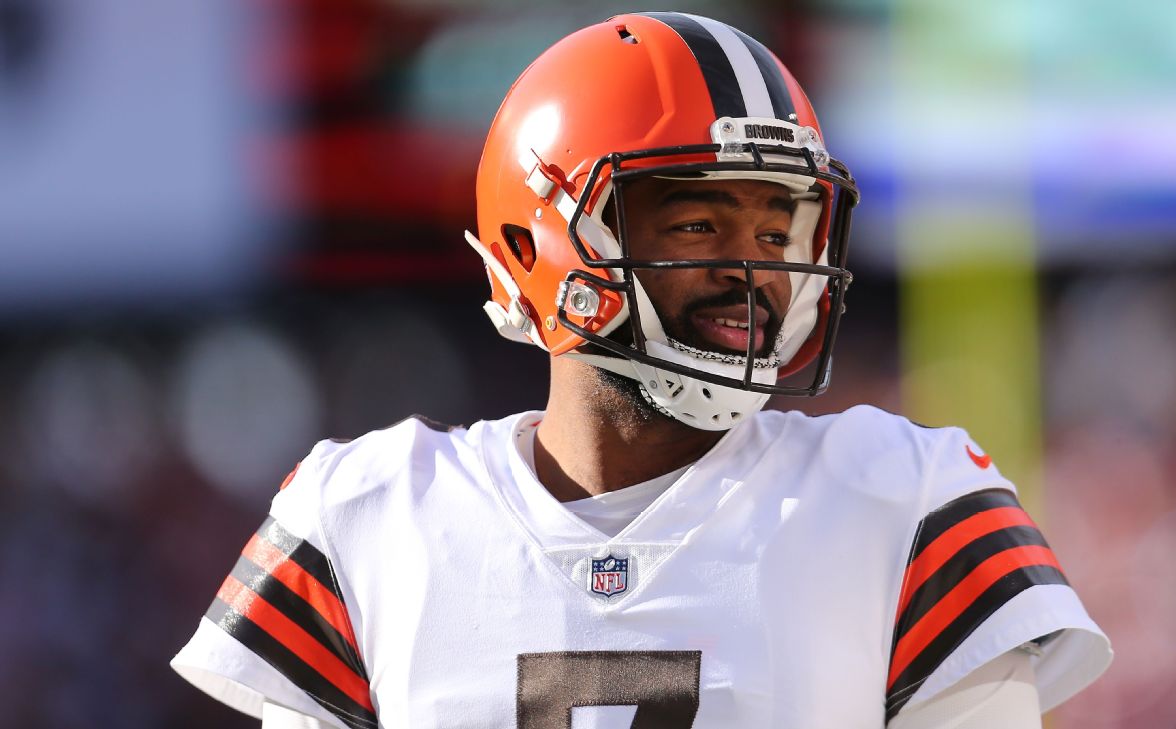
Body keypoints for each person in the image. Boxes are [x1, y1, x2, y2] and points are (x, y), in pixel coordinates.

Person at [172, 11, 1111, 728]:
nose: (755, 272)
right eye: (699, 223)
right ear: (536, 245)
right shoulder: (366, 515)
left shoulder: (906, 499)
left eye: (778, 230)